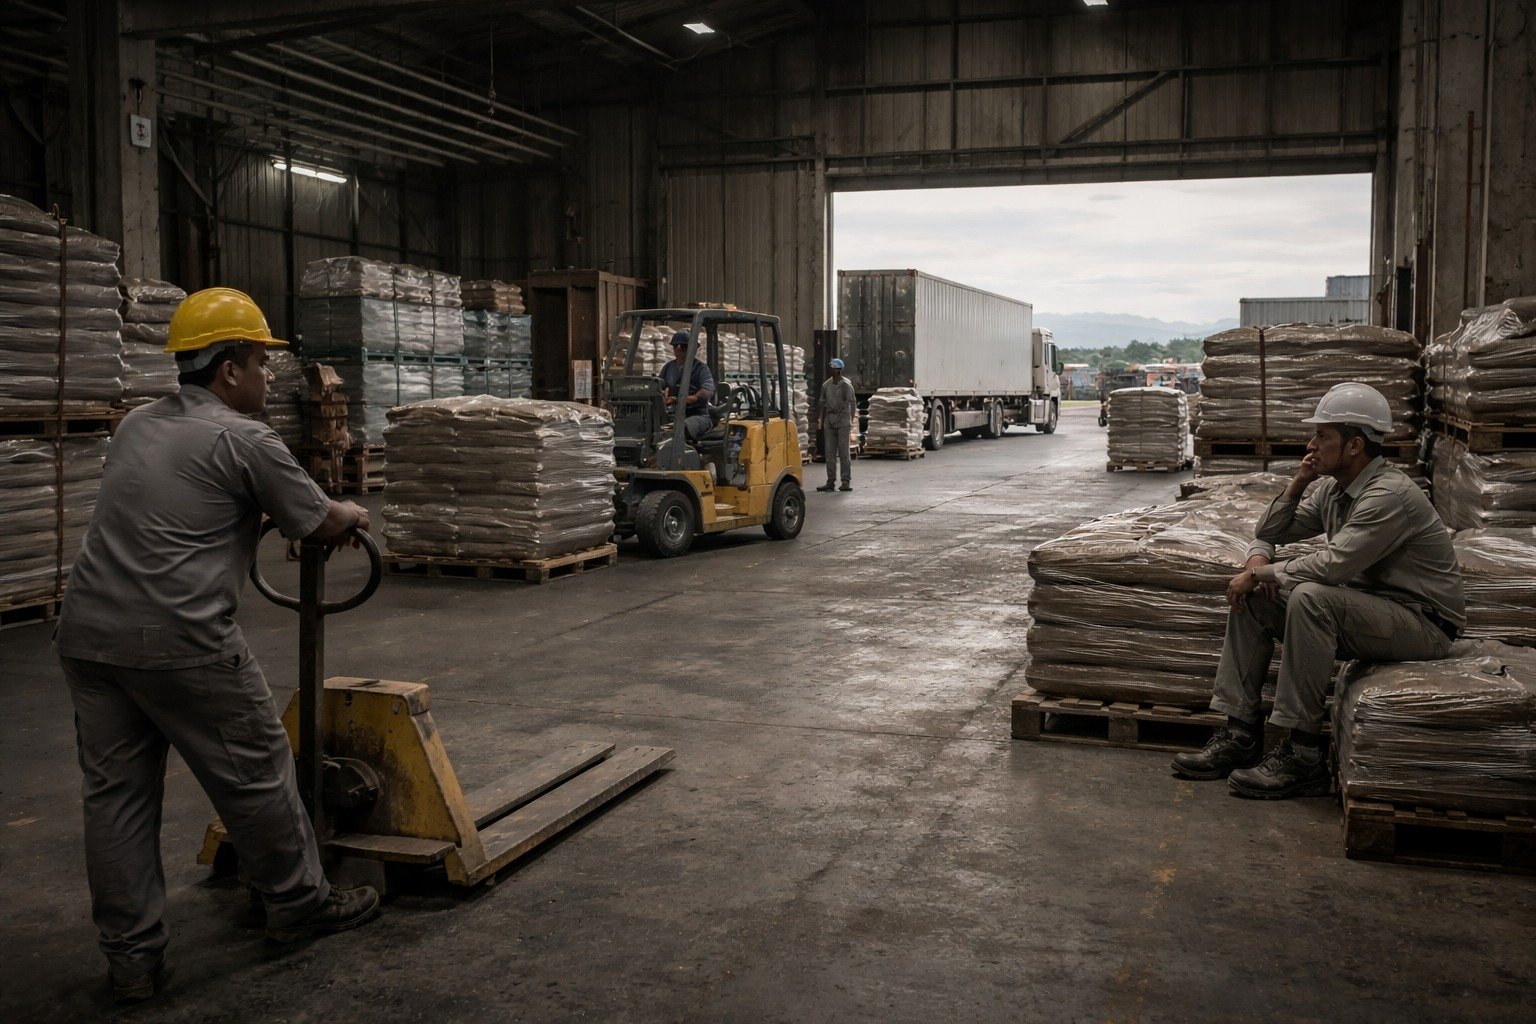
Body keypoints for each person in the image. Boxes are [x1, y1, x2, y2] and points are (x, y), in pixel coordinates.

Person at [53, 288, 382, 1005]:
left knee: (116, 800)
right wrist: (353, 511)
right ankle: (297, 905)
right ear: (229, 370)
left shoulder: (137, 425)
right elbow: (316, 521)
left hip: (87, 636)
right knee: (257, 770)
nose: (270, 379)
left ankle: (132, 961)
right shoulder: (244, 437)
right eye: (262, 364)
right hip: (179, 637)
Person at [1171, 382, 1464, 798]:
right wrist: (1296, 485)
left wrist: (1261, 572)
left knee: (1309, 595)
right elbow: (1271, 531)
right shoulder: (1332, 488)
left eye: (1322, 436)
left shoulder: (1388, 494)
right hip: (1372, 609)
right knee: (1256, 599)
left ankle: (1303, 754)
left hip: (1422, 624)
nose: (1311, 444)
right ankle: (1240, 734)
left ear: (1354, 445)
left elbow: (1333, 564)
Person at [658, 330, 715, 442]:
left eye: (683, 346)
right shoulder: (668, 367)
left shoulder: (701, 369)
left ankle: (679, 457)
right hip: (674, 415)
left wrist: (679, 400)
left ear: (693, 348)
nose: (679, 349)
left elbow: (706, 391)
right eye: (676, 346)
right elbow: (659, 386)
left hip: (698, 415)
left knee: (681, 428)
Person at [817, 358, 856, 492]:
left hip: (843, 420)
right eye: (833, 370)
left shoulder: (847, 385)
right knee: (830, 454)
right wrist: (821, 419)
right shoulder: (826, 385)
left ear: (841, 370)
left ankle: (845, 482)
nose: (836, 372)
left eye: (838, 370)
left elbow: (852, 404)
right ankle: (830, 481)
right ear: (831, 370)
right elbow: (822, 403)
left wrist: (851, 420)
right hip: (830, 420)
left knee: (844, 453)